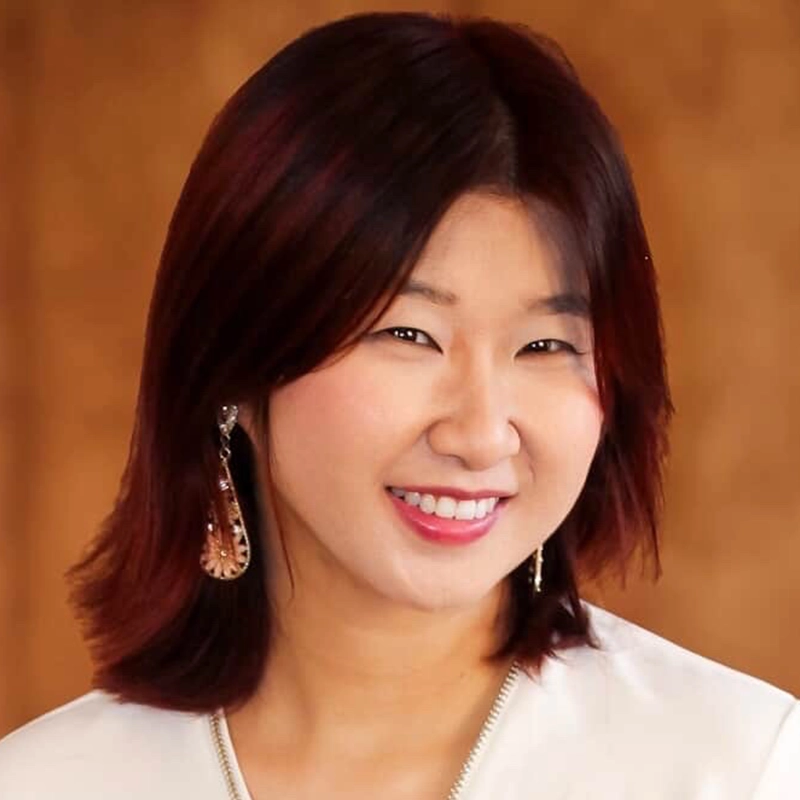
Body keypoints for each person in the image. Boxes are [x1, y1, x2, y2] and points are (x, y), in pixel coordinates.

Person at [0, 10, 797, 799]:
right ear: (236, 365)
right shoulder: (48, 783)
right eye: (409, 334)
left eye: (545, 345)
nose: (480, 435)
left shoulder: (739, 767)